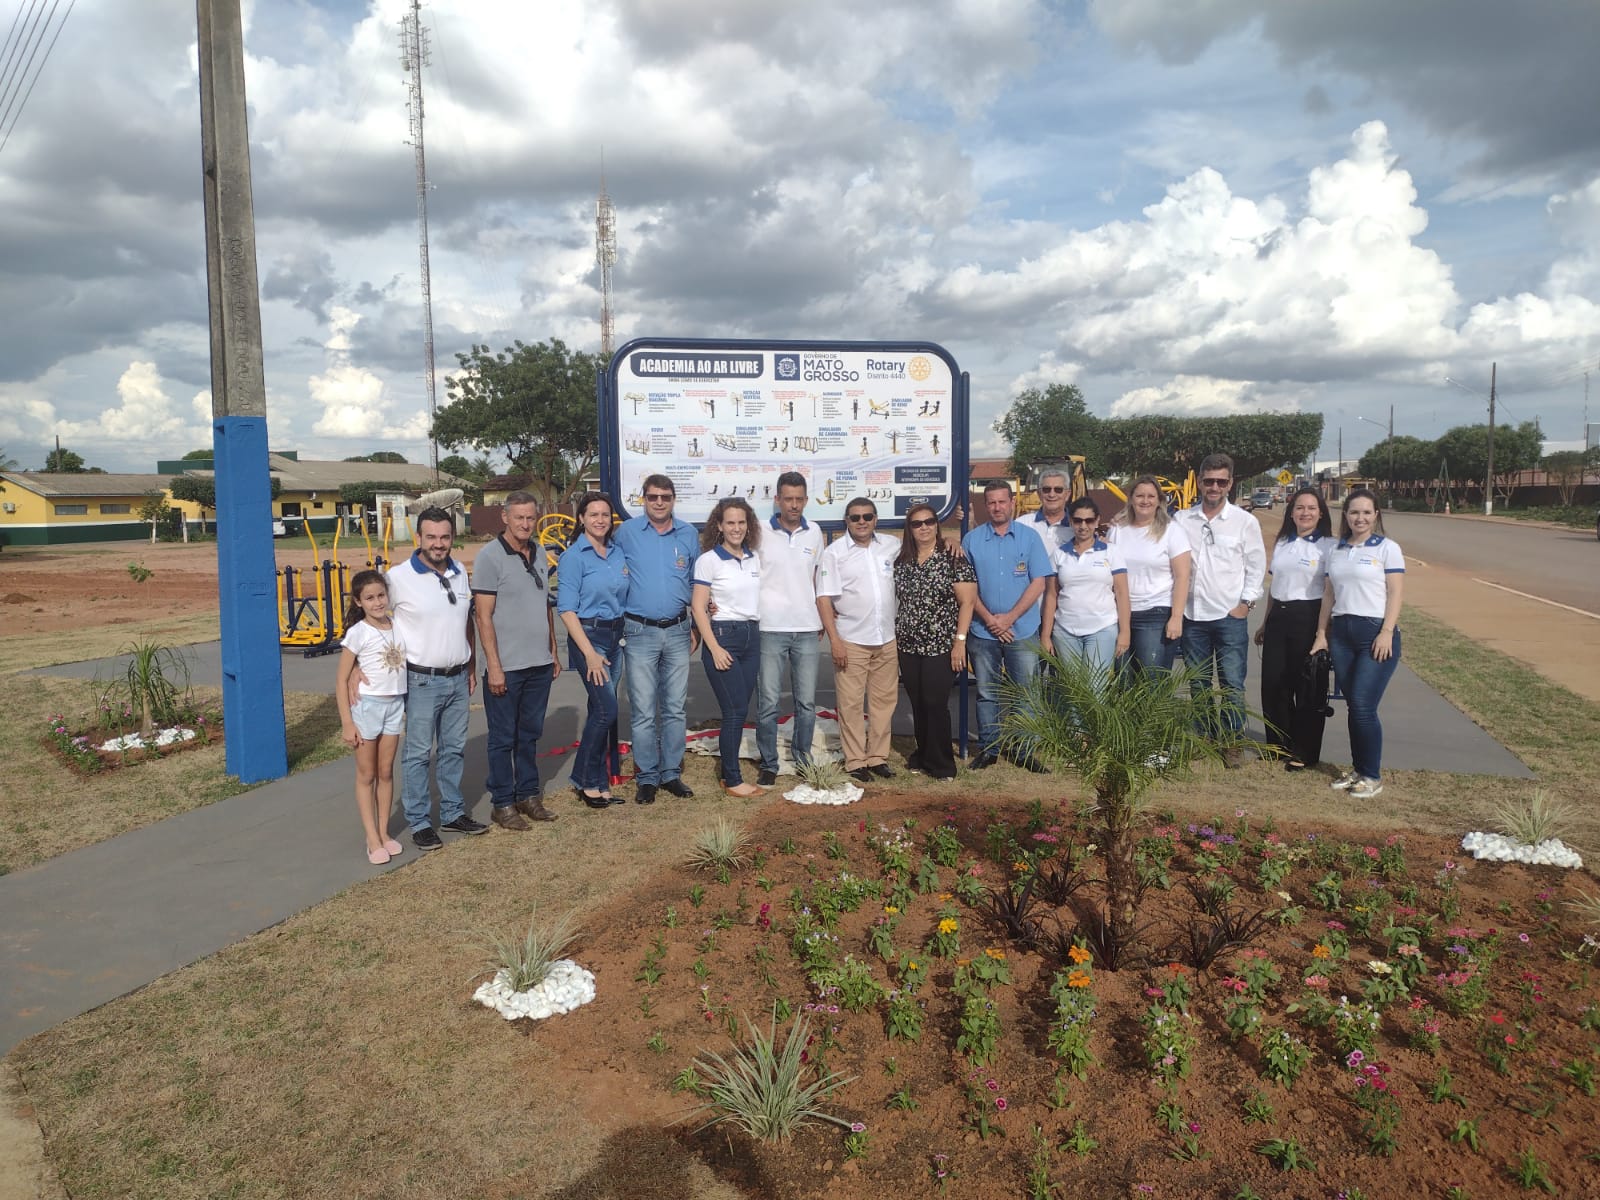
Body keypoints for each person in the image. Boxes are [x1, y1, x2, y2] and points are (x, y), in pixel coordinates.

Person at [387, 506, 486, 850]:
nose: (438, 543)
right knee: (417, 753)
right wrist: (358, 670)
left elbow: (466, 622)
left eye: (444, 537)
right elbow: (371, 620)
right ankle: (419, 821)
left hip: (458, 677)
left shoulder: (459, 572)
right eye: (431, 536)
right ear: (419, 538)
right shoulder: (397, 577)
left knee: (453, 750)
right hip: (421, 680)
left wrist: (472, 665)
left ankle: (453, 812)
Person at [471, 490, 561, 829]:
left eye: (530, 517)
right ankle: (502, 802)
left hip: (537, 662)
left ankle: (528, 794)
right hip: (506, 666)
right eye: (519, 517)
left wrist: (552, 648)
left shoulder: (538, 552)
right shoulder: (489, 557)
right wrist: (493, 665)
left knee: (530, 733)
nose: (525, 523)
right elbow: (483, 615)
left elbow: (544, 604)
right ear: (504, 518)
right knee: (502, 737)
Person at [1309, 488, 1404, 799]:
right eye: (1354, 512)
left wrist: (1387, 631)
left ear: (1376, 515)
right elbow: (1328, 595)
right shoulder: (1335, 550)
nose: (1359, 518)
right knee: (1354, 707)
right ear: (1345, 516)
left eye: (1366, 512)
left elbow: (1395, 593)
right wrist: (1322, 634)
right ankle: (1359, 769)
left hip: (1374, 633)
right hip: (1342, 633)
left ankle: (1372, 775)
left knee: (1363, 706)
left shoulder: (1387, 548)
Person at [613, 474, 700, 806]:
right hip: (639, 631)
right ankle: (647, 776)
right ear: (643, 499)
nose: (659, 502)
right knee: (644, 709)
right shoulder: (628, 533)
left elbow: (696, 583)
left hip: (679, 630)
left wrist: (696, 627)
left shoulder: (689, 534)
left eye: (665, 496)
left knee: (675, 708)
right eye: (653, 497)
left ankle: (671, 774)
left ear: (674, 499)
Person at [1177, 454, 1266, 765]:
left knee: (1230, 683)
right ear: (1200, 482)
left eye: (1221, 481)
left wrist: (1245, 605)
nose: (1214, 486)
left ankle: (1230, 741)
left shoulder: (1244, 522)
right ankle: (1202, 737)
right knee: (1199, 683)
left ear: (1230, 483)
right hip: (1192, 616)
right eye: (1209, 480)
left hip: (1229, 617)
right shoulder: (1182, 520)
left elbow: (1256, 566)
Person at [961, 481, 1055, 770]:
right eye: (991, 502)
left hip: (1022, 629)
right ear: (985, 505)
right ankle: (989, 747)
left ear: (1012, 502)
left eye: (1002, 501)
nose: (997, 507)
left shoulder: (1029, 538)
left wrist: (1010, 617)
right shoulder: (972, 541)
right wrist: (990, 619)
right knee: (987, 692)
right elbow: (966, 587)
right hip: (983, 630)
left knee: (1025, 691)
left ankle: (1023, 749)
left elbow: (1038, 582)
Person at [817, 497, 901, 784]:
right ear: (847, 521)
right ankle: (855, 759)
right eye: (855, 517)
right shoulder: (834, 553)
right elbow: (824, 599)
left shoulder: (891, 546)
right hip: (851, 639)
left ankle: (877, 757)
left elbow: (925, 546)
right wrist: (835, 641)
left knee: (884, 702)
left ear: (875, 519)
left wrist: (951, 542)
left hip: (886, 638)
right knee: (851, 704)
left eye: (867, 516)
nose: (862, 522)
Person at [892, 501, 977, 780]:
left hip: (941, 646)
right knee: (917, 702)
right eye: (917, 524)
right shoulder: (902, 561)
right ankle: (923, 754)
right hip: (908, 645)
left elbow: (967, 602)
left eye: (929, 521)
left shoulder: (952, 557)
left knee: (935, 703)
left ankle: (942, 764)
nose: (924, 527)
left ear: (937, 524)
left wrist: (960, 641)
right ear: (910, 528)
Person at [557, 492, 629, 809]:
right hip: (589, 636)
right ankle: (585, 779)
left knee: (601, 712)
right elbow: (567, 611)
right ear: (582, 518)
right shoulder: (574, 556)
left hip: (617, 636)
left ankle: (599, 783)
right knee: (606, 710)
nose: (600, 520)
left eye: (605, 515)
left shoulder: (616, 552)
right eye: (593, 514)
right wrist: (588, 653)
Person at [1254, 487, 1334, 771]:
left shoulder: (1328, 545)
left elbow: (1328, 591)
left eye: (1311, 508)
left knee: (1308, 686)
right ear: (1291, 512)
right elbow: (1275, 588)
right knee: (1275, 685)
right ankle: (1278, 745)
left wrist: (1322, 632)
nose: (1305, 513)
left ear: (1320, 513)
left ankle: (1304, 750)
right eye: (1299, 507)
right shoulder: (1283, 543)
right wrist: (1266, 621)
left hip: (1309, 616)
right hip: (1280, 617)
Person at [691, 496, 766, 797]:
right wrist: (714, 647)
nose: (736, 528)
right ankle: (732, 779)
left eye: (741, 522)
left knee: (740, 708)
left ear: (748, 526)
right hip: (723, 637)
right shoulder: (708, 560)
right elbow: (698, 608)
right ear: (719, 526)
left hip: (751, 636)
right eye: (730, 522)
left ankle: (730, 773)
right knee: (734, 710)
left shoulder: (753, 558)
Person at [754, 471, 824, 786]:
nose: (794, 505)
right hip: (769, 628)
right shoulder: (759, 532)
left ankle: (802, 758)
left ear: (806, 500)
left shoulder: (815, 533)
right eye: (788, 499)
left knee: (805, 702)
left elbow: (819, 580)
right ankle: (769, 763)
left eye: (799, 499)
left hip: (808, 628)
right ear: (778, 500)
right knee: (768, 702)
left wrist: (823, 618)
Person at [335, 569, 406, 864]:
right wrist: (347, 723)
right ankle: (371, 837)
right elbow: (341, 680)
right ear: (358, 601)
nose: (378, 602)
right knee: (367, 775)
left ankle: (384, 831)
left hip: (395, 706)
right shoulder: (358, 633)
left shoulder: (398, 624)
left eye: (381, 595)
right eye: (370, 598)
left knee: (386, 772)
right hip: (367, 708)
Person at [1107, 475, 1191, 674]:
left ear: (1159, 501)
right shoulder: (1118, 530)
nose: (1145, 501)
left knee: (1150, 680)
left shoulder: (1172, 531)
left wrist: (1177, 617)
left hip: (1155, 614)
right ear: (1131, 499)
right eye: (1140, 496)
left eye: (1151, 496)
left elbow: (1182, 576)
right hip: (1119, 613)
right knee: (1123, 679)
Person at [1043, 496, 1130, 672]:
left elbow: (1121, 593)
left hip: (1102, 627)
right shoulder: (1059, 554)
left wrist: (1125, 632)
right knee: (1074, 691)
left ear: (1097, 521)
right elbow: (1051, 595)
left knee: (1096, 690)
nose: (1083, 526)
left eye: (1089, 520)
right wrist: (1046, 635)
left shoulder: (1111, 552)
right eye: (1078, 520)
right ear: (1070, 521)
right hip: (1065, 630)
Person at [1014, 468, 1072, 552]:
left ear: (1067, 494)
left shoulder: (1077, 527)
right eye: (1046, 489)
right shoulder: (1022, 524)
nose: (1052, 494)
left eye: (1058, 490)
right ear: (1039, 494)